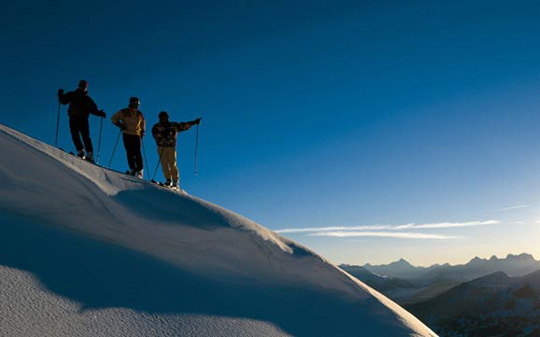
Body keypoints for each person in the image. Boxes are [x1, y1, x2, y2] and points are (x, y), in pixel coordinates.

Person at [57, 79, 106, 162]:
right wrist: (99, 113)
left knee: (78, 134)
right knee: (83, 135)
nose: (83, 87)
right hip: (80, 118)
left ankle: (82, 152)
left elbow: (63, 101)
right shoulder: (85, 98)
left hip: (76, 117)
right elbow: (93, 110)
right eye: (82, 86)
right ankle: (87, 153)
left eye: (84, 86)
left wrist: (60, 95)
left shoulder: (75, 95)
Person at [152, 111, 201, 188]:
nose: (163, 119)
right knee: (164, 164)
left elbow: (184, 126)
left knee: (172, 164)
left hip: (171, 147)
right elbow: (155, 136)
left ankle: (175, 181)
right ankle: (168, 180)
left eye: (165, 117)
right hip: (161, 147)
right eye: (162, 117)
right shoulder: (156, 127)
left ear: (167, 117)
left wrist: (194, 122)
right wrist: (163, 136)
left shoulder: (173, 125)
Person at [111, 97, 146, 178]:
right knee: (130, 152)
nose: (136, 105)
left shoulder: (139, 114)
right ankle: (133, 169)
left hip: (136, 135)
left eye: (137, 104)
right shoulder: (124, 112)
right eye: (135, 103)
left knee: (137, 153)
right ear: (131, 103)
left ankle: (140, 170)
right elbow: (113, 118)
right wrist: (120, 124)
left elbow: (143, 122)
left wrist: (142, 131)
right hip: (127, 134)